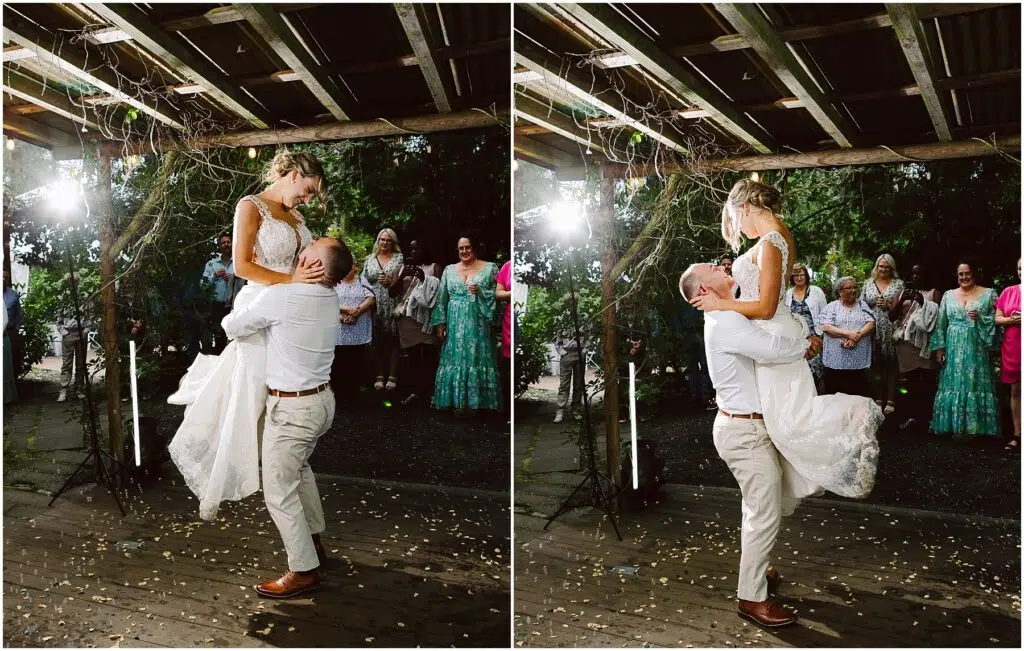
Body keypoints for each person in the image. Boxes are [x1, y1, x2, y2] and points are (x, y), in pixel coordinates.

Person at [690, 179, 882, 502]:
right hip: (776, 331)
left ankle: (856, 413)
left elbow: (765, 307)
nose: (739, 230)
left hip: (772, 336)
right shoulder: (776, 238)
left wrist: (720, 304)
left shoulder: (770, 242)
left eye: (736, 221)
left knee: (791, 422)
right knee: (787, 420)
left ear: (746, 207)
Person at [168, 150, 327, 521]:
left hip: (292, 312)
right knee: (248, 398)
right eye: (306, 189)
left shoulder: (298, 216)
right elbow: (241, 265)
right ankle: (251, 469)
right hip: (263, 303)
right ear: (290, 174)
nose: (307, 199)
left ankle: (286, 468)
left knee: (285, 398)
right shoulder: (250, 206)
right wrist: (291, 280)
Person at [680, 261, 819, 628]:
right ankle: (751, 598)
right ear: (704, 292)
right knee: (763, 513)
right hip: (744, 435)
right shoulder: (724, 322)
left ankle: (756, 574)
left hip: (750, 429)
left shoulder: (728, 314)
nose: (718, 264)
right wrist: (807, 343)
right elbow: (772, 349)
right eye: (709, 268)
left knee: (758, 510)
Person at [221, 237, 352, 599]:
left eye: (311, 250)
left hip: (294, 411)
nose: (303, 250)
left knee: (279, 490)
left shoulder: (283, 297)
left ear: (318, 267)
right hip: (321, 403)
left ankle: (303, 570)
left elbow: (232, 326)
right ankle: (314, 545)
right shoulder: (330, 298)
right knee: (300, 470)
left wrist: (280, 284)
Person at [429, 235, 501, 415]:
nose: (464, 251)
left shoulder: (490, 268)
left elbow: (498, 296)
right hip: (454, 325)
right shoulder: (449, 270)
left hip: (478, 323)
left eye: (467, 247)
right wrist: (440, 324)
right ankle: (456, 402)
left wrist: (481, 292)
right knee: (454, 359)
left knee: (476, 358)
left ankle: (478, 404)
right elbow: (441, 299)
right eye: (461, 248)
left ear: (474, 248)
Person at [930, 260, 1000, 439]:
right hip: (953, 348)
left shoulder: (989, 294)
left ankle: (974, 428)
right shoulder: (948, 295)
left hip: (976, 347)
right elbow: (940, 324)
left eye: (967, 273)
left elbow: (998, 321)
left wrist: (981, 317)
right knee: (952, 383)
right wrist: (940, 348)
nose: (964, 277)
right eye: (961, 274)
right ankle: (954, 426)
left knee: (974, 382)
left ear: (974, 273)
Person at [888, 264, 941, 434]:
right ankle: (911, 416)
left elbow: (938, 317)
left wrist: (922, 301)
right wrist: (903, 300)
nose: (916, 276)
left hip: (925, 343)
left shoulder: (933, 293)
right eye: (913, 273)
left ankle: (928, 418)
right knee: (909, 381)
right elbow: (892, 316)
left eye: (920, 273)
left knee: (927, 381)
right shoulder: (902, 293)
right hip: (907, 343)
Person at [393, 239, 442, 407]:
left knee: (429, 357)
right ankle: (414, 391)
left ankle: (431, 393)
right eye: (412, 249)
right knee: (412, 358)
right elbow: (392, 293)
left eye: (418, 248)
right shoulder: (402, 268)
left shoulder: (434, 267)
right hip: (407, 319)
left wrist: (424, 278)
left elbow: (441, 292)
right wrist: (401, 277)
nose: (414, 252)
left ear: (425, 250)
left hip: (426, 319)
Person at [861, 254, 905, 415]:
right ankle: (878, 399)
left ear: (892, 268)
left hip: (892, 328)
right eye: (881, 266)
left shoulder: (899, 284)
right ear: (876, 267)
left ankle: (891, 400)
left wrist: (889, 305)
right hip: (873, 329)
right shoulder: (868, 284)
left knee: (892, 364)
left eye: (887, 267)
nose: (884, 269)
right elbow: (861, 305)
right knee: (876, 364)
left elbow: (905, 307)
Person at [819, 278, 877, 397]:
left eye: (855, 287)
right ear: (840, 291)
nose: (853, 290)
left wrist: (857, 335)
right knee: (835, 393)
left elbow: (871, 323)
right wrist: (849, 334)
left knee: (857, 393)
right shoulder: (832, 306)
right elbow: (826, 327)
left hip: (858, 361)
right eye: (849, 288)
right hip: (836, 361)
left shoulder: (862, 305)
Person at [363, 228, 404, 393]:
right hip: (374, 303)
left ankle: (392, 376)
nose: (385, 243)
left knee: (394, 340)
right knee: (377, 341)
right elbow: (363, 281)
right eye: (382, 239)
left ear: (393, 243)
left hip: (392, 302)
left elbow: (405, 282)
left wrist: (391, 280)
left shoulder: (399, 259)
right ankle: (379, 376)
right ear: (378, 241)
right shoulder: (369, 259)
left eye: (388, 240)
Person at [331, 261, 375, 405]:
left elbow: (371, 298)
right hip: (338, 328)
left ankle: (353, 394)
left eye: (351, 266)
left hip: (357, 329)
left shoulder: (362, 281)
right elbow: (328, 301)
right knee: (338, 361)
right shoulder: (333, 281)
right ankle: (338, 393)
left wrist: (357, 312)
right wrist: (343, 314)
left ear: (356, 268)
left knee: (355, 361)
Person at [785, 262, 826, 393]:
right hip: (795, 338)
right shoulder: (788, 293)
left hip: (814, 336)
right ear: (792, 278)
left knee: (815, 370)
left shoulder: (816, 291)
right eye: (795, 275)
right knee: (798, 370)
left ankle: (817, 398)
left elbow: (825, 313)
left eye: (801, 274)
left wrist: (822, 336)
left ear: (806, 276)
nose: (799, 278)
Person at [995, 258, 1021, 452]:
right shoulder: (1008, 292)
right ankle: (1017, 434)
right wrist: (1010, 320)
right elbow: (997, 318)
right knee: (1015, 391)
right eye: (1019, 268)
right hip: (1013, 345)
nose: (1021, 271)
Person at [56, 272, 91, 403]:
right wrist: (63, 331)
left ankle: (79, 388)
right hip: (68, 333)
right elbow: (58, 317)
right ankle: (64, 389)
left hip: (82, 332)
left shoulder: (85, 296)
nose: (73, 284)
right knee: (67, 363)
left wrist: (86, 330)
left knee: (81, 363)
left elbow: (89, 315)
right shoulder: (62, 298)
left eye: (75, 281)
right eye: (71, 281)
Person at [202, 232, 237, 353]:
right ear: (219, 246)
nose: (226, 244)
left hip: (235, 304)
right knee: (219, 337)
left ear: (232, 244)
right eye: (223, 243)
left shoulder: (239, 263)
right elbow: (203, 285)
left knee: (236, 336)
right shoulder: (211, 264)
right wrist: (214, 276)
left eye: (228, 242)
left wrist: (234, 279)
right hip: (217, 306)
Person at [496, 260, 513, 417]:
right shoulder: (508, 266)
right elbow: (498, 292)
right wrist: (510, 294)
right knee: (507, 366)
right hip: (509, 319)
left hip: (518, 316)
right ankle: (507, 410)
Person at [4, 268, 22, 404]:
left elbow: (18, 315)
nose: (3, 279)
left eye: (6, 277)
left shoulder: (13, 295)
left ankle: (10, 396)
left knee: (11, 363)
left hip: (9, 332)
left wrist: (15, 328)